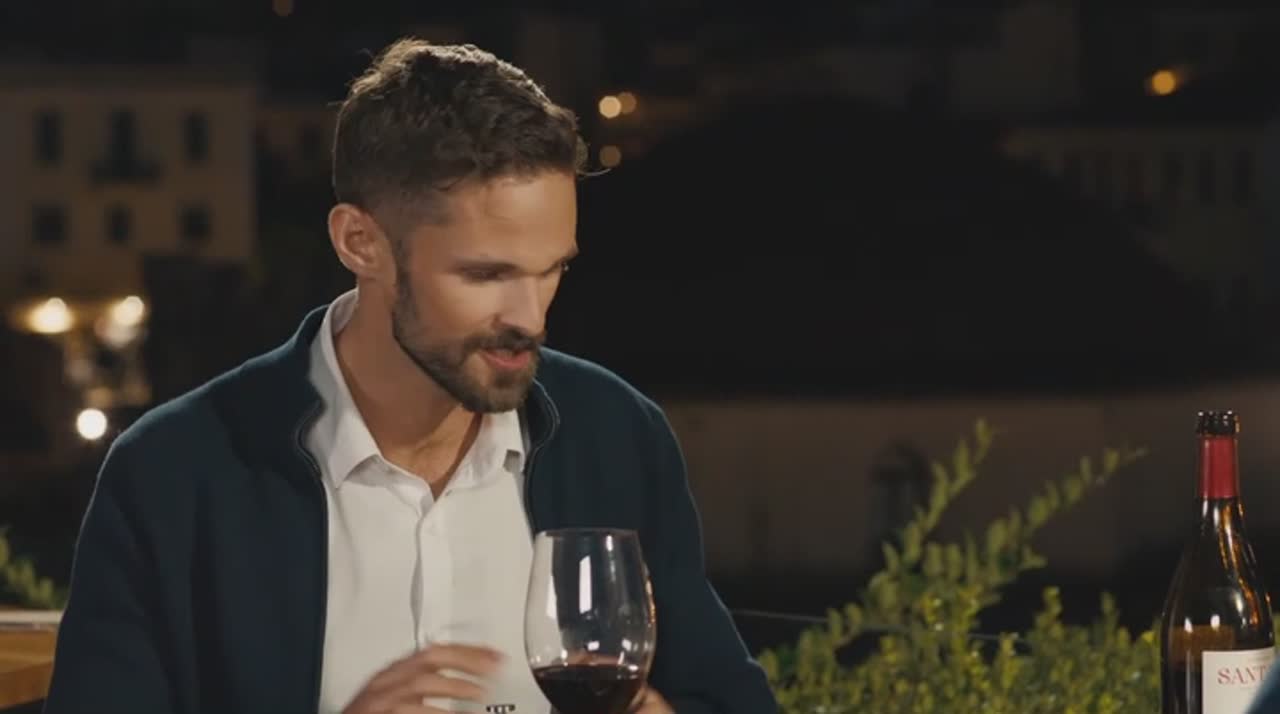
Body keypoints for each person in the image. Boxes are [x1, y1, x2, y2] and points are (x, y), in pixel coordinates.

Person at [43, 39, 778, 714]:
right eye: (486, 274)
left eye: (552, 270)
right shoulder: (174, 476)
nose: (530, 318)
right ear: (361, 243)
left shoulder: (617, 437)